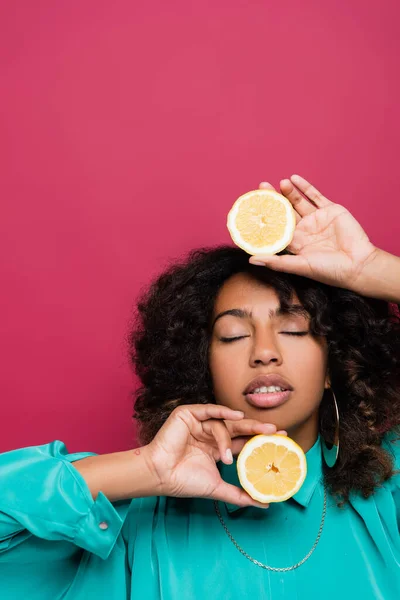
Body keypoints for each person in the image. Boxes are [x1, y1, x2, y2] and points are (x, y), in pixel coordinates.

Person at [0, 175, 399, 599]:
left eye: (294, 330)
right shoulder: (127, 521)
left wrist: (371, 268)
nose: (264, 352)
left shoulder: (386, 490)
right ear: (201, 365)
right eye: (233, 335)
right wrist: (144, 471)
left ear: (333, 364)